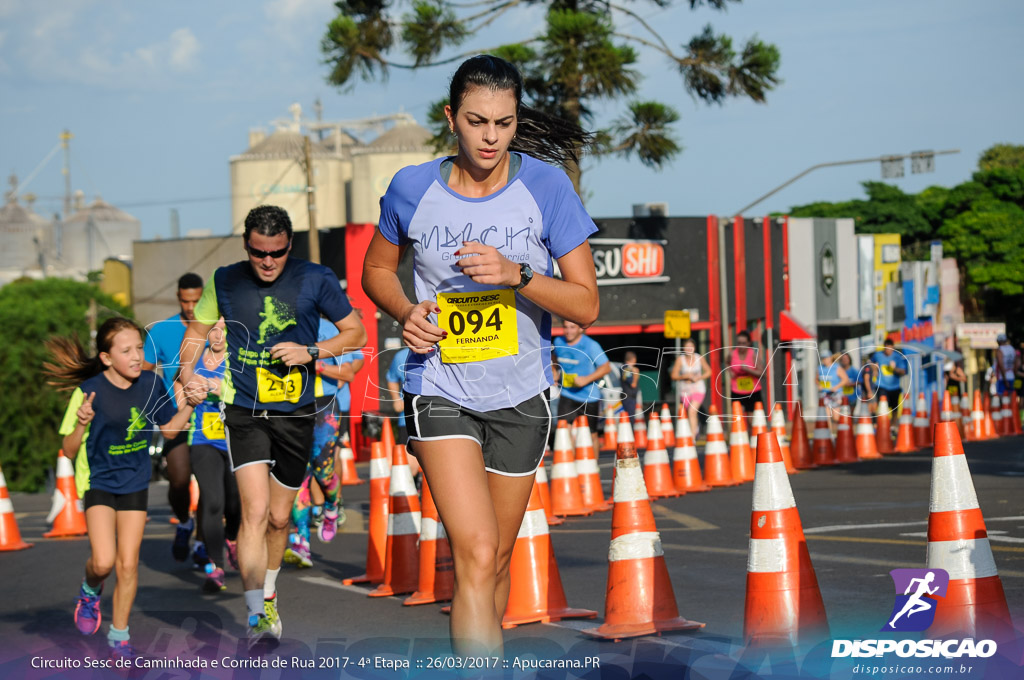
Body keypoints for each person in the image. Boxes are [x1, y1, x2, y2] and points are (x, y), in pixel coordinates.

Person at [362, 54, 598, 657]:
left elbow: (586, 306)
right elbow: (377, 269)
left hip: (521, 394)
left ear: (516, 121)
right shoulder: (412, 188)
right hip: (440, 387)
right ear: (451, 118)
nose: (490, 137)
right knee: (470, 550)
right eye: (476, 121)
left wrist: (517, 274)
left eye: (504, 123)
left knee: (493, 562)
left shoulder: (547, 188)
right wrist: (404, 312)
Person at [177, 205, 366, 646]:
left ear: (288, 246)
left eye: (277, 253)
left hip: (296, 412)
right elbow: (195, 335)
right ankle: (255, 614)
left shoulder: (315, 277)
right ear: (246, 245)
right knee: (255, 511)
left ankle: (270, 592)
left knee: (280, 518)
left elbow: (355, 333)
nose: (267, 262)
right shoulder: (224, 279)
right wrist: (188, 376)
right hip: (244, 408)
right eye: (259, 253)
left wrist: (312, 352)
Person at [46, 318, 195, 659]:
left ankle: (119, 636)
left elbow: (170, 431)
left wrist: (189, 404)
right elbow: (69, 451)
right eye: (126, 350)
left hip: (134, 480)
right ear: (107, 358)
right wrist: (82, 422)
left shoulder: (151, 384)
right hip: (98, 480)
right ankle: (89, 590)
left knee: (128, 565)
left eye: (139, 349)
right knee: (103, 562)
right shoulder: (88, 391)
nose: (135, 356)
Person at [284, 318, 364, 568]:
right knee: (298, 474)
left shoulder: (328, 329)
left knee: (323, 471)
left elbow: (349, 372)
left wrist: (315, 365)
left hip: (323, 405)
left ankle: (331, 505)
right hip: (289, 405)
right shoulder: (279, 327)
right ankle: (301, 542)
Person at [141, 272, 204, 562]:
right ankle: (183, 522)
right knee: (178, 479)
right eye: (185, 300)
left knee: (208, 483)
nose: (191, 306)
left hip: (211, 417)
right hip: (174, 416)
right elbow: (143, 371)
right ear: (178, 298)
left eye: (196, 300)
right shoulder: (162, 330)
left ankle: (204, 540)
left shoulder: (216, 328)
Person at [186, 318, 241, 592]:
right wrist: (187, 393)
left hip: (235, 439)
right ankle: (215, 565)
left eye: (223, 329)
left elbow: (247, 391)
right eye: (212, 329)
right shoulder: (193, 360)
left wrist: (216, 387)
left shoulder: (238, 358)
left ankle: (231, 537)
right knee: (212, 501)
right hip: (202, 439)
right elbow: (179, 390)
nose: (217, 334)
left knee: (235, 503)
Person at [553, 320, 611, 434]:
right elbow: (553, 359)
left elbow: (606, 367)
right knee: (563, 431)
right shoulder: (558, 341)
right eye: (565, 327)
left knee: (591, 434)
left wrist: (586, 379)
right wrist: (554, 373)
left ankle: (593, 452)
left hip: (589, 396)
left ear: (580, 329)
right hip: (567, 394)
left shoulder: (591, 345)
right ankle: (571, 452)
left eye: (572, 327)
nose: (568, 331)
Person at [671, 337, 711, 436]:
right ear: (683, 348)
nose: (689, 349)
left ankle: (692, 437)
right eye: (687, 347)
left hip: (698, 388)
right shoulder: (680, 360)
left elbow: (709, 371)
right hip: (685, 389)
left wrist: (699, 377)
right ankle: (695, 428)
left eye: (691, 347)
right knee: (691, 413)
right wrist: (684, 376)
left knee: (692, 410)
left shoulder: (699, 358)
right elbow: (673, 375)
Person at [726, 330, 765, 414]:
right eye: (739, 343)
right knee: (738, 416)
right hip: (737, 391)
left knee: (752, 419)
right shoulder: (732, 354)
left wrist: (748, 370)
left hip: (753, 391)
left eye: (743, 343)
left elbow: (762, 373)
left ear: (748, 343)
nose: (741, 346)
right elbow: (726, 362)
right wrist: (730, 371)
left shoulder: (753, 355)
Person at [866, 338, 908, 413]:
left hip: (894, 387)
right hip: (881, 385)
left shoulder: (897, 357)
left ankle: (893, 424)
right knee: (883, 405)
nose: (888, 350)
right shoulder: (878, 355)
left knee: (894, 408)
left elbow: (903, 371)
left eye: (890, 348)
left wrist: (894, 368)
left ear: (893, 347)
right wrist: (874, 369)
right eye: (886, 348)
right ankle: (882, 423)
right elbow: (870, 362)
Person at [818, 352, 851, 421]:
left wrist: (836, 387)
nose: (824, 360)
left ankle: (839, 430)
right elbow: (816, 379)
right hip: (825, 394)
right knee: (827, 416)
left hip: (836, 394)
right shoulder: (820, 368)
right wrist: (819, 385)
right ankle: (829, 431)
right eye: (823, 358)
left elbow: (845, 379)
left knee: (836, 417)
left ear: (830, 358)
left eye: (826, 358)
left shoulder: (836, 368)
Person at [619, 351, 641, 417]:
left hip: (628, 396)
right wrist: (636, 373)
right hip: (629, 397)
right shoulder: (627, 368)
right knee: (630, 417)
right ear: (634, 359)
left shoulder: (626, 368)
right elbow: (633, 384)